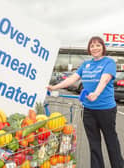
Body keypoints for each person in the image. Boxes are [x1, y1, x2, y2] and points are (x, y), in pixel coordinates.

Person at [47, 36, 124, 168]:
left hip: (105, 109)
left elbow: (105, 79)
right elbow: (72, 78)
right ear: (89, 49)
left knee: (111, 141)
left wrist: (96, 93)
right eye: (92, 45)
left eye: (98, 45)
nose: (95, 48)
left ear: (103, 48)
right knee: (94, 144)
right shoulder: (85, 65)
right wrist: (55, 87)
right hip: (88, 110)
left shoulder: (108, 62)